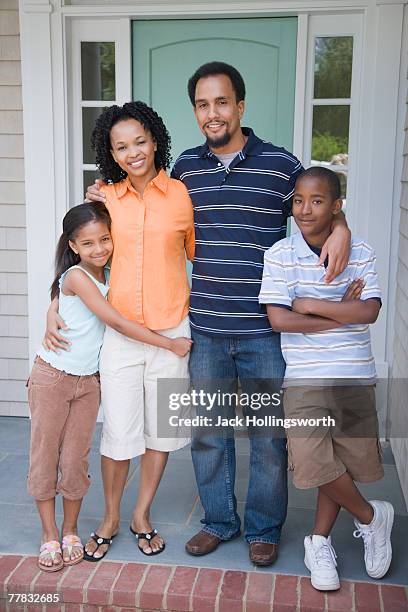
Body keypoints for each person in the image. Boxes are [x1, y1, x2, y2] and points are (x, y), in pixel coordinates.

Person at [84, 62, 351, 566]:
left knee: (269, 438)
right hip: (203, 326)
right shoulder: (184, 170)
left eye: (222, 102)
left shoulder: (279, 165)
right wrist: (100, 191)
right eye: (203, 105)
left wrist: (340, 226)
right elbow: (136, 210)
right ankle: (219, 521)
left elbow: (318, 202)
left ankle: (264, 528)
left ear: (240, 106)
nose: (213, 113)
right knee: (209, 434)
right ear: (195, 112)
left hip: (264, 328)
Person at [44, 101, 195, 560]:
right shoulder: (103, 199)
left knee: (161, 435)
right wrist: (55, 301)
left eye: (140, 142)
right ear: (110, 152)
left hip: (173, 332)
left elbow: (198, 258)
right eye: (121, 146)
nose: (133, 153)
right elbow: (79, 258)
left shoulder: (181, 195)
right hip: (121, 338)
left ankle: (141, 515)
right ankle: (110, 516)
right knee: (119, 434)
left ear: (156, 140)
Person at [31, 202, 191, 572]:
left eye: (105, 239)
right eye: (88, 243)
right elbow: (112, 320)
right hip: (56, 376)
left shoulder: (112, 273)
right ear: (73, 245)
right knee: (48, 455)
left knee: (77, 457)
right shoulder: (77, 276)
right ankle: (52, 532)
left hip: (89, 381)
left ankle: (82, 527)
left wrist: (52, 306)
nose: (100, 248)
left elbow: (71, 294)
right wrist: (168, 344)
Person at [259, 166, 393, 590]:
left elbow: (369, 312)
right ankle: (373, 517)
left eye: (317, 201)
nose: (304, 209)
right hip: (304, 377)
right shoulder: (280, 254)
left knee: (342, 461)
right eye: (298, 200)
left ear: (337, 206)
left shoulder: (362, 251)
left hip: (353, 374)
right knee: (315, 461)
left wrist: (310, 304)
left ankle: (318, 541)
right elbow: (279, 318)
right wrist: (339, 311)